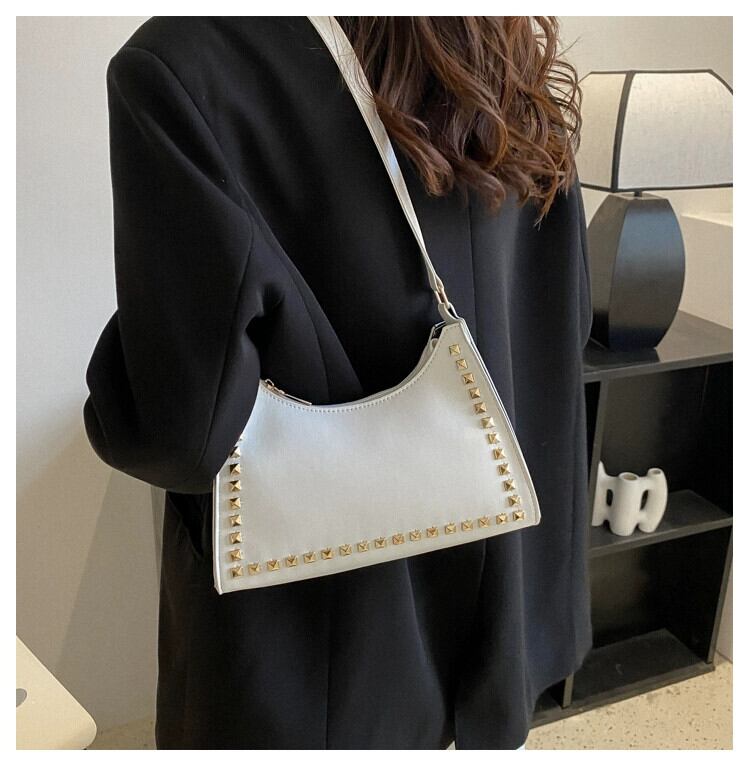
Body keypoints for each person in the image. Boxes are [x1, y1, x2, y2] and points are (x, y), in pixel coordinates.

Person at [83, 16, 593, 750]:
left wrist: (119, 374)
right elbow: (562, 319)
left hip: (320, 654)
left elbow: (181, 431)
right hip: (505, 608)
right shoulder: (502, 50)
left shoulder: (182, 61)